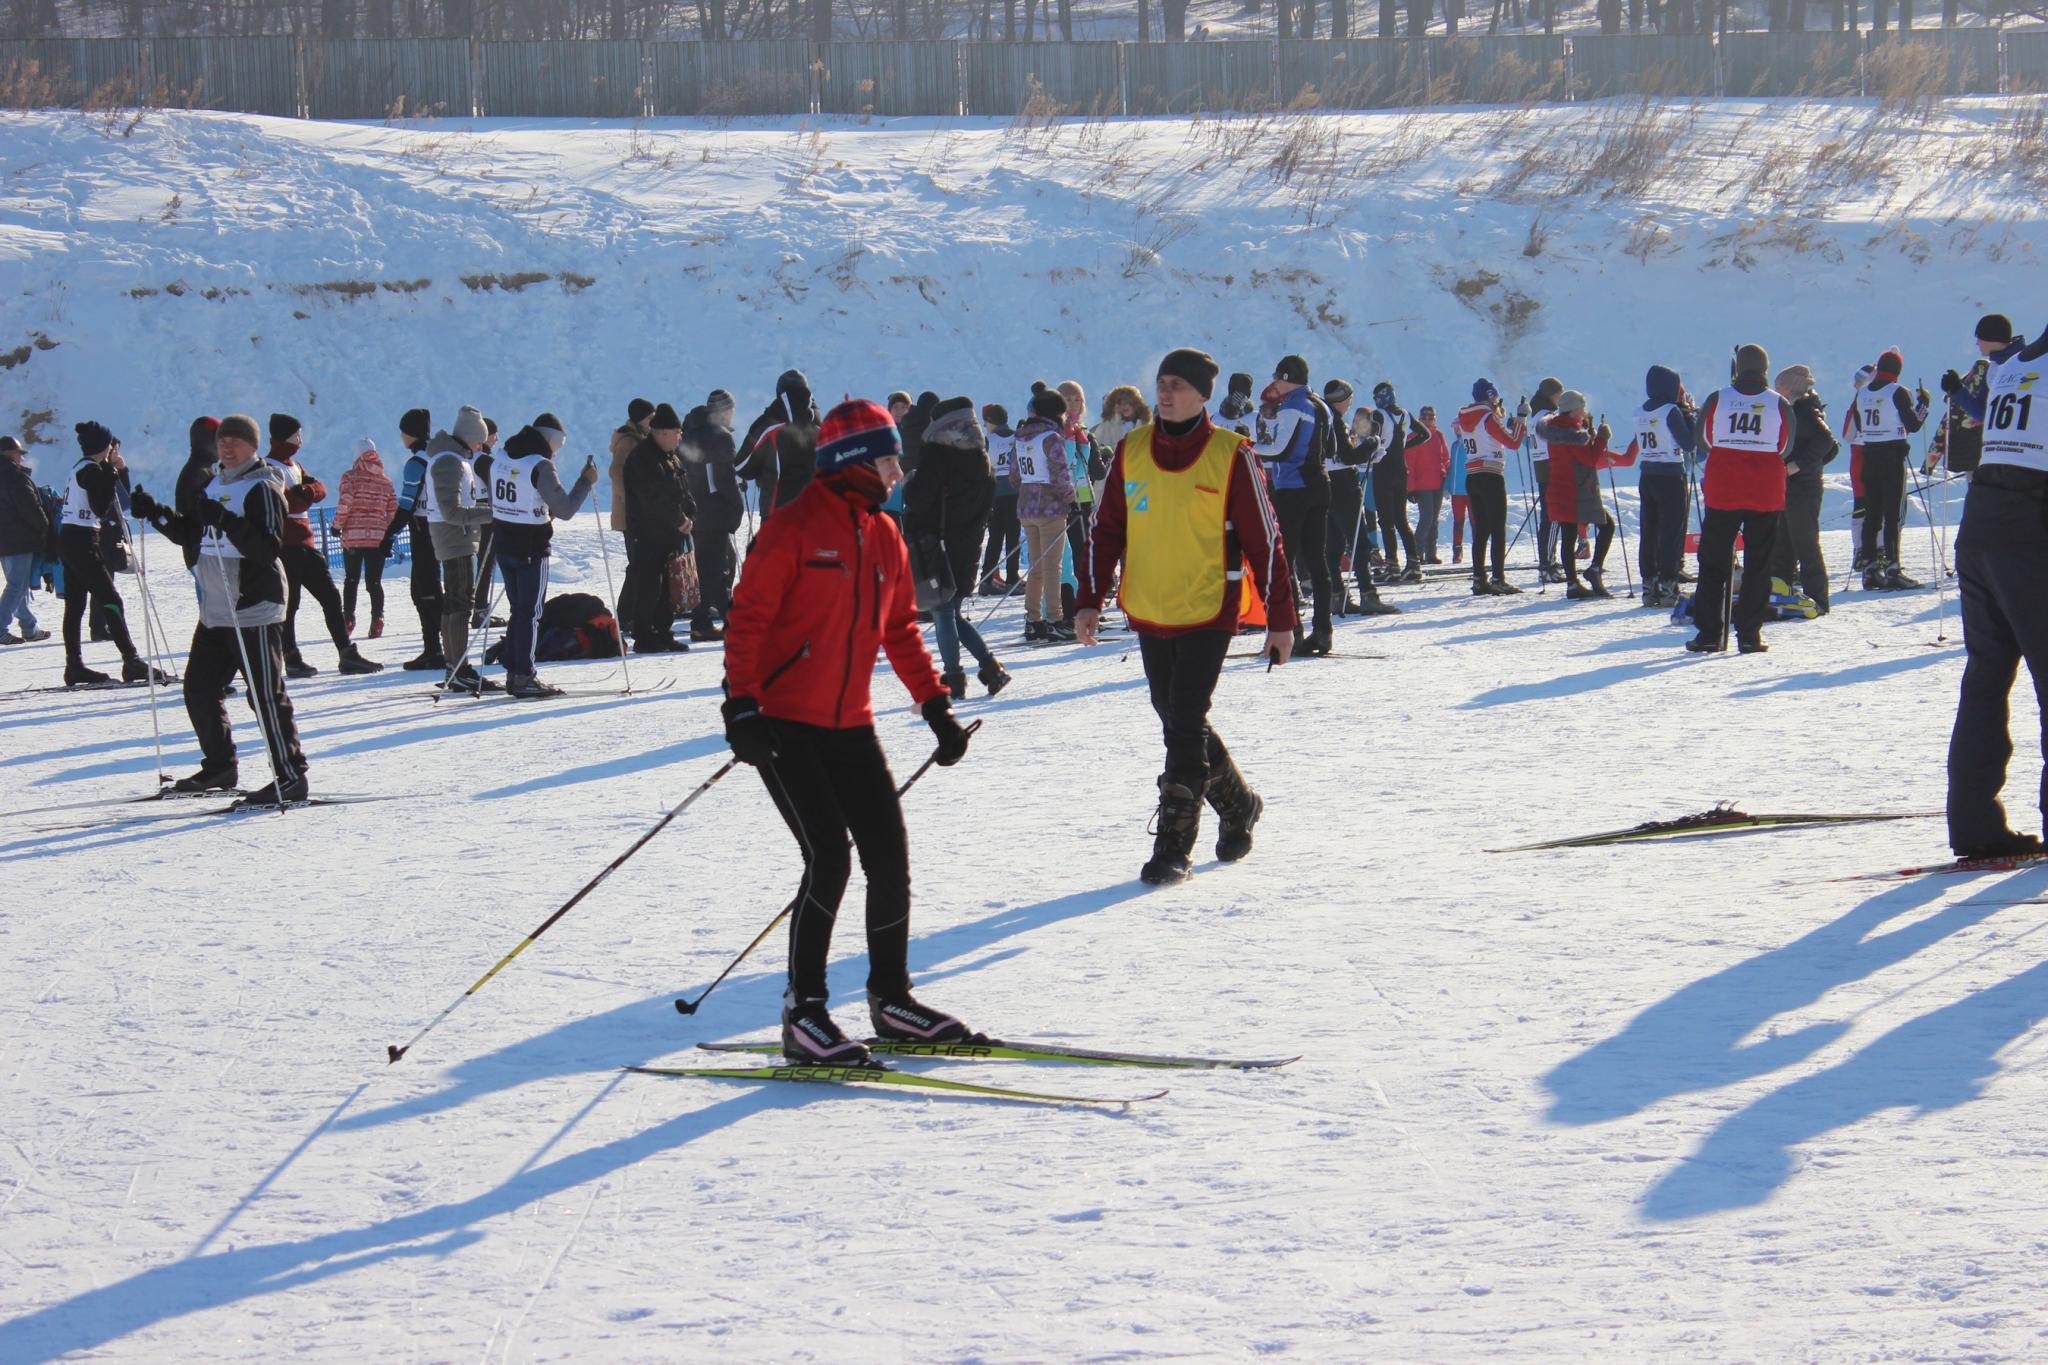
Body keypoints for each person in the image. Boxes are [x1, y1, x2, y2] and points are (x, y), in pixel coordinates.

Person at [720, 397, 975, 1066]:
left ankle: (892, 998)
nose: (899, 471)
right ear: (856, 461)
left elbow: (899, 630)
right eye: (890, 458)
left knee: (888, 851)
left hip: (850, 724)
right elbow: (746, 618)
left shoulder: (883, 532)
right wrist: (740, 705)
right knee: (828, 856)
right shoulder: (794, 527)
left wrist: (935, 708)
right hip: (784, 722)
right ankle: (803, 1010)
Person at [1076, 348, 1299, 886]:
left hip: (1208, 607)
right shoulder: (1131, 450)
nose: (1166, 393)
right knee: (1176, 714)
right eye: (1162, 383)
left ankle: (1175, 845)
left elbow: (1265, 540)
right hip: (1151, 605)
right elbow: (1106, 530)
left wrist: (1281, 618)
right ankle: (1239, 803)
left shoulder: (1232, 452)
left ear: (1202, 394)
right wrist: (1089, 597)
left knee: (1183, 718)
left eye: (1178, 384)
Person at [128, 414, 308, 805]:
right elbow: (191, 533)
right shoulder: (215, 483)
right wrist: (155, 512)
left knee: (264, 694)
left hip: (253, 605)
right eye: (223, 441)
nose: (227, 447)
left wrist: (225, 519)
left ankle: (291, 775)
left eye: (236, 442)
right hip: (217, 606)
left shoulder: (261, 487)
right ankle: (221, 766)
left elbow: (266, 549)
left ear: (253, 446)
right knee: (199, 689)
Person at [1942, 312, 2048, 858]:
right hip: (2029, 527)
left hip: (1982, 520)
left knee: (1985, 678)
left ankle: (1975, 823)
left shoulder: (2012, 367)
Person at [1690, 343, 1797, 654]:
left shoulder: (1717, 398)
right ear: (1765, 369)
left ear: (1737, 368)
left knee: (1713, 562)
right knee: (1758, 564)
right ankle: (1749, 634)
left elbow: (1704, 440)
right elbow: (1785, 447)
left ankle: (1710, 633)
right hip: (1764, 491)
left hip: (1723, 489)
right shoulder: (1779, 404)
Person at [904, 396, 1010, 699]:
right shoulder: (981, 455)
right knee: (952, 611)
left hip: (937, 544)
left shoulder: (937, 454)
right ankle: (992, 669)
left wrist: (910, 482)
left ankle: (953, 678)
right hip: (969, 544)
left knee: (942, 610)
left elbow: (919, 497)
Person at [490, 413, 598, 698]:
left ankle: (515, 669)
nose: (558, 448)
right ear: (550, 438)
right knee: (530, 612)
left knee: (518, 610)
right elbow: (565, 509)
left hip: (504, 543)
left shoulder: (502, 457)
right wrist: (585, 482)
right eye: (559, 442)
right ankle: (524, 675)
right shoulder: (540, 465)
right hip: (531, 547)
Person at [268, 414, 380, 677]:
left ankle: (346, 652)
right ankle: (291, 656)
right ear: (286, 437)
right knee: (290, 604)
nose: (301, 439)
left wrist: (305, 492)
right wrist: (304, 494)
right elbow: (289, 503)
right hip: (287, 544)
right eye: (297, 434)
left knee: (330, 597)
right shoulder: (271, 468)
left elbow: (318, 489)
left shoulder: (293, 466)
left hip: (305, 542)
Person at [57, 422, 158, 686]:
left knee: (76, 605)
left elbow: (119, 502)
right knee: (110, 599)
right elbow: (103, 507)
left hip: (73, 537)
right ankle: (131, 659)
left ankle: (75, 665)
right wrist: (113, 471)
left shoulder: (86, 468)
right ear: (105, 447)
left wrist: (117, 470)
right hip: (82, 540)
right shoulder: (91, 471)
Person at [1251, 356, 1333, 654]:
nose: (1275, 382)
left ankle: (1293, 631)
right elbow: (1332, 447)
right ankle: (1323, 631)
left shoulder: (1293, 406)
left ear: (1287, 376)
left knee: (1284, 563)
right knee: (1317, 562)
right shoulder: (1319, 403)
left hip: (1293, 489)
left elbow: (1280, 450)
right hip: (1319, 486)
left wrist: (1247, 447)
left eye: (1277, 376)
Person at [423, 405, 496, 689]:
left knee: (458, 601)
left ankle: (456, 666)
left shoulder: (455, 458)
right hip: (454, 536)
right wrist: (492, 513)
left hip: (460, 535)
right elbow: (452, 511)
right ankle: (458, 668)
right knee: (459, 603)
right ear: (469, 436)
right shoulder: (448, 462)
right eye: (480, 439)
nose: (482, 445)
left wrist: (486, 509)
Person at [1854, 350, 1932, 591]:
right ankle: (1892, 568)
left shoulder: (1862, 392)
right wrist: (1924, 403)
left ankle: (1869, 569)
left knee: (1872, 513)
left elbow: (1858, 423)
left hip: (1869, 454)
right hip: (1892, 456)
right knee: (1892, 514)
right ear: (1897, 371)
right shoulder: (1898, 392)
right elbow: (1914, 425)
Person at [623, 403, 695, 654]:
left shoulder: (670, 456)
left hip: (670, 534)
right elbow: (653, 498)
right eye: (677, 432)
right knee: (649, 585)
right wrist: (679, 519)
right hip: (648, 533)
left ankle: (663, 632)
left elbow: (682, 489)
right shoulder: (642, 458)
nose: (680, 437)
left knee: (668, 587)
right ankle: (644, 635)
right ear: (662, 432)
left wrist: (690, 512)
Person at [1770, 365, 1838, 615]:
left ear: (1789, 388)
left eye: (1778, 386)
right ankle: (1781, 592)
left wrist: (1800, 465)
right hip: (1789, 486)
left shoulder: (1806, 410)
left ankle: (1817, 598)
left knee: (1805, 542)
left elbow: (1826, 440)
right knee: (1782, 543)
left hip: (1804, 487)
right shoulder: (1791, 409)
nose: (1775, 391)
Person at [1542, 393, 1625, 599]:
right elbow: (1590, 459)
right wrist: (1602, 438)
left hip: (1559, 486)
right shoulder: (1572, 432)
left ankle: (1572, 583)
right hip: (1577, 488)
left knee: (1568, 535)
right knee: (1607, 525)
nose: (1584, 410)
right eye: (1582, 407)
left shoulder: (1556, 429)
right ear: (1574, 410)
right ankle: (1594, 569)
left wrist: (1590, 434)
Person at [383, 407, 446, 672]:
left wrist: (389, 533)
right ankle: (440, 646)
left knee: (425, 593)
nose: (401, 437)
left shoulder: (416, 462)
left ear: (410, 434)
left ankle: (437, 649)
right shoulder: (438, 455)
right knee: (428, 590)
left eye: (403, 432)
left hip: (422, 531)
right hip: (440, 528)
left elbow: (407, 503)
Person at [1013, 384, 1075, 644]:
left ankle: (1033, 619)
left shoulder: (1021, 436)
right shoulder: (1051, 438)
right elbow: (1060, 474)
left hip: (1026, 506)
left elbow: (1015, 476)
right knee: (1052, 567)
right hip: (1050, 508)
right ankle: (1055, 620)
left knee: (1035, 566)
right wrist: (1072, 498)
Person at [1633, 366, 1698, 609]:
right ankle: (1669, 583)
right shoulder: (1670, 410)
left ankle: (1649, 584)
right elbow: (1689, 442)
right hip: (1670, 473)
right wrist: (1689, 415)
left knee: (1649, 529)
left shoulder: (1639, 411)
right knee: (1671, 531)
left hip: (1647, 473)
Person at [681, 390, 743, 642]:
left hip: (692, 510)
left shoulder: (690, 431)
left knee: (704, 569)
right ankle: (727, 621)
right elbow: (723, 478)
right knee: (718, 569)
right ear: (725, 411)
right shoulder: (719, 436)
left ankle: (702, 621)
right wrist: (735, 510)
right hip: (713, 511)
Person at [1456, 380, 1527, 596]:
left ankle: (1479, 579)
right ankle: (1498, 578)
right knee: (1497, 529)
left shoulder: (1466, 415)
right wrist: (1521, 419)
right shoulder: (1488, 416)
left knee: (1481, 530)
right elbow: (1513, 442)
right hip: (1491, 474)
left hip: (1473, 474)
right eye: (1495, 398)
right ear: (1490, 396)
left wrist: (1500, 418)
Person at [737, 369, 822, 517]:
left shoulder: (769, 423)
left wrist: (760, 467)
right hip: (814, 515)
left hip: (776, 516)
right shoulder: (821, 426)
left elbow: (742, 465)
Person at [336, 437, 396, 639]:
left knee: (351, 580)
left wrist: (337, 526)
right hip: (377, 539)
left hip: (353, 537)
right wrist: (386, 532)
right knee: (374, 583)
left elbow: (346, 503)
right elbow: (393, 511)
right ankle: (377, 617)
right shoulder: (386, 481)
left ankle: (348, 619)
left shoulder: (350, 477)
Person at [1366, 382, 1420, 584]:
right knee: (1401, 520)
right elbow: (1425, 434)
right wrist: (1405, 445)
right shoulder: (1404, 414)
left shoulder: (1378, 415)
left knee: (1386, 521)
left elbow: (1373, 439)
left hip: (1383, 470)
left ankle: (1392, 565)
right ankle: (1414, 564)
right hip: (1401, 469)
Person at [0, 435, 51, 644]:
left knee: (16, 585)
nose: (21, 458)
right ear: (10, 454)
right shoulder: (15, 477)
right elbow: (30, 507)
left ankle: (29, 627)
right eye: (19, 453)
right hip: (18, 539)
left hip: (3, 541)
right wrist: (45, 528)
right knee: (17, 586)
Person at [978, 403, 1021, 594]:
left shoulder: (988, 440)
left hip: (995, 494)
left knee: (995, 538)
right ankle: (1012, 577)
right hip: (1015, 492)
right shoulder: (1017, 437)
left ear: (991, 422)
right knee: (1013, 536)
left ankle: (986, 578)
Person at [1527, 376, 1567, 582]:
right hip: (1551, 468)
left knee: (1549, 517)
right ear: (1552, 395)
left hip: (1541, 467)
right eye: (1559, 394)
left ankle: (1547, 561)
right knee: (1553, 518)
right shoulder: (1547, 416)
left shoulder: (1535, 415)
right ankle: (1547, 564)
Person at [173, 416, 219, 571]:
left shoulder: (206, 469)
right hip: (201, 553)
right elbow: (190, 519)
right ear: (207, 441)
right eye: (218, 440)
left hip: (209, 550)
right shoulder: (196, 472)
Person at [1407, 405, 1452, 564]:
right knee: (1426, 518)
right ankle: (1417, 553)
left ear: (1435, 419)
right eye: (1424, 418)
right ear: (1419, 419)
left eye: (1430, 418)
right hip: (1422, 485)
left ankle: (1431, 553)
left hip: (1437, 482)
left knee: (1434, 519)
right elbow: (1409, 464)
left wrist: (1447, 476)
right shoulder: (1414, 437)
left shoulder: (1439, 435)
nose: (1427, 420)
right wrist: (1410, 488)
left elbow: (1446, 458)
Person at [1446, 418, 1470, 565]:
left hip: (1471, 489)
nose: (1456, 430)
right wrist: (1447, 486)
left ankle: (1478, 549)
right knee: (1458, 521)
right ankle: (1457, 549)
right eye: (1455, 427)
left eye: (1458, 426)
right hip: (1457, 491)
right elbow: (1452, 468)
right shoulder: (1455, 445)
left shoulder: (1470, 443)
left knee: (1475, 521)